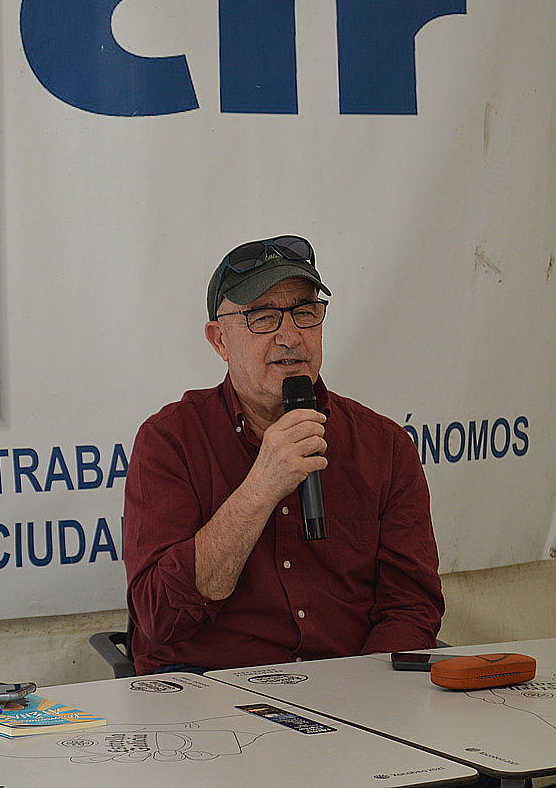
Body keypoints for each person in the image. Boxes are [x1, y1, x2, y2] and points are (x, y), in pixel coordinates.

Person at [123, 235, 444, 675]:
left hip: (348, 691)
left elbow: (411, 608)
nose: (290, 337)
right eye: (262, 317)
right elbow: (159, 617)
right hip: (210, 695)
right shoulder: (170, 442)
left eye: (305, 313)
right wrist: (260, 488)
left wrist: (363, 693)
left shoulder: (385, 447)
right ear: (219, 340)